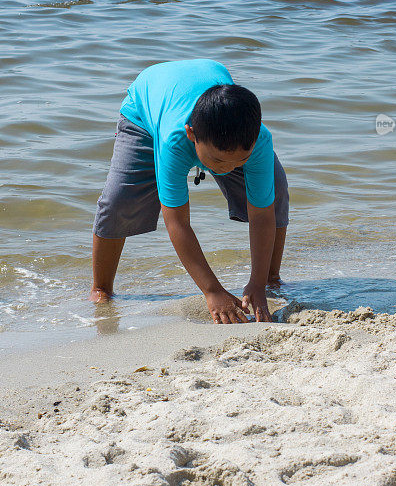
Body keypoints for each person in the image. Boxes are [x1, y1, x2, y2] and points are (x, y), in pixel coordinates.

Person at [90, 59, 289, 325]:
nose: (228, 169)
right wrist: (212, 290)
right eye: (218, 163)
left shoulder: (259, 141)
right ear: (191, 134)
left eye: (239, 161)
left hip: (214, 113)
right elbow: (177, 223)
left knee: (274, 192)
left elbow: (263, 216)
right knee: (118, 202)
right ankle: (101, 287)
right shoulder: (173, 140)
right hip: (144, 111)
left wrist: (257, 283)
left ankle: (269, 279)